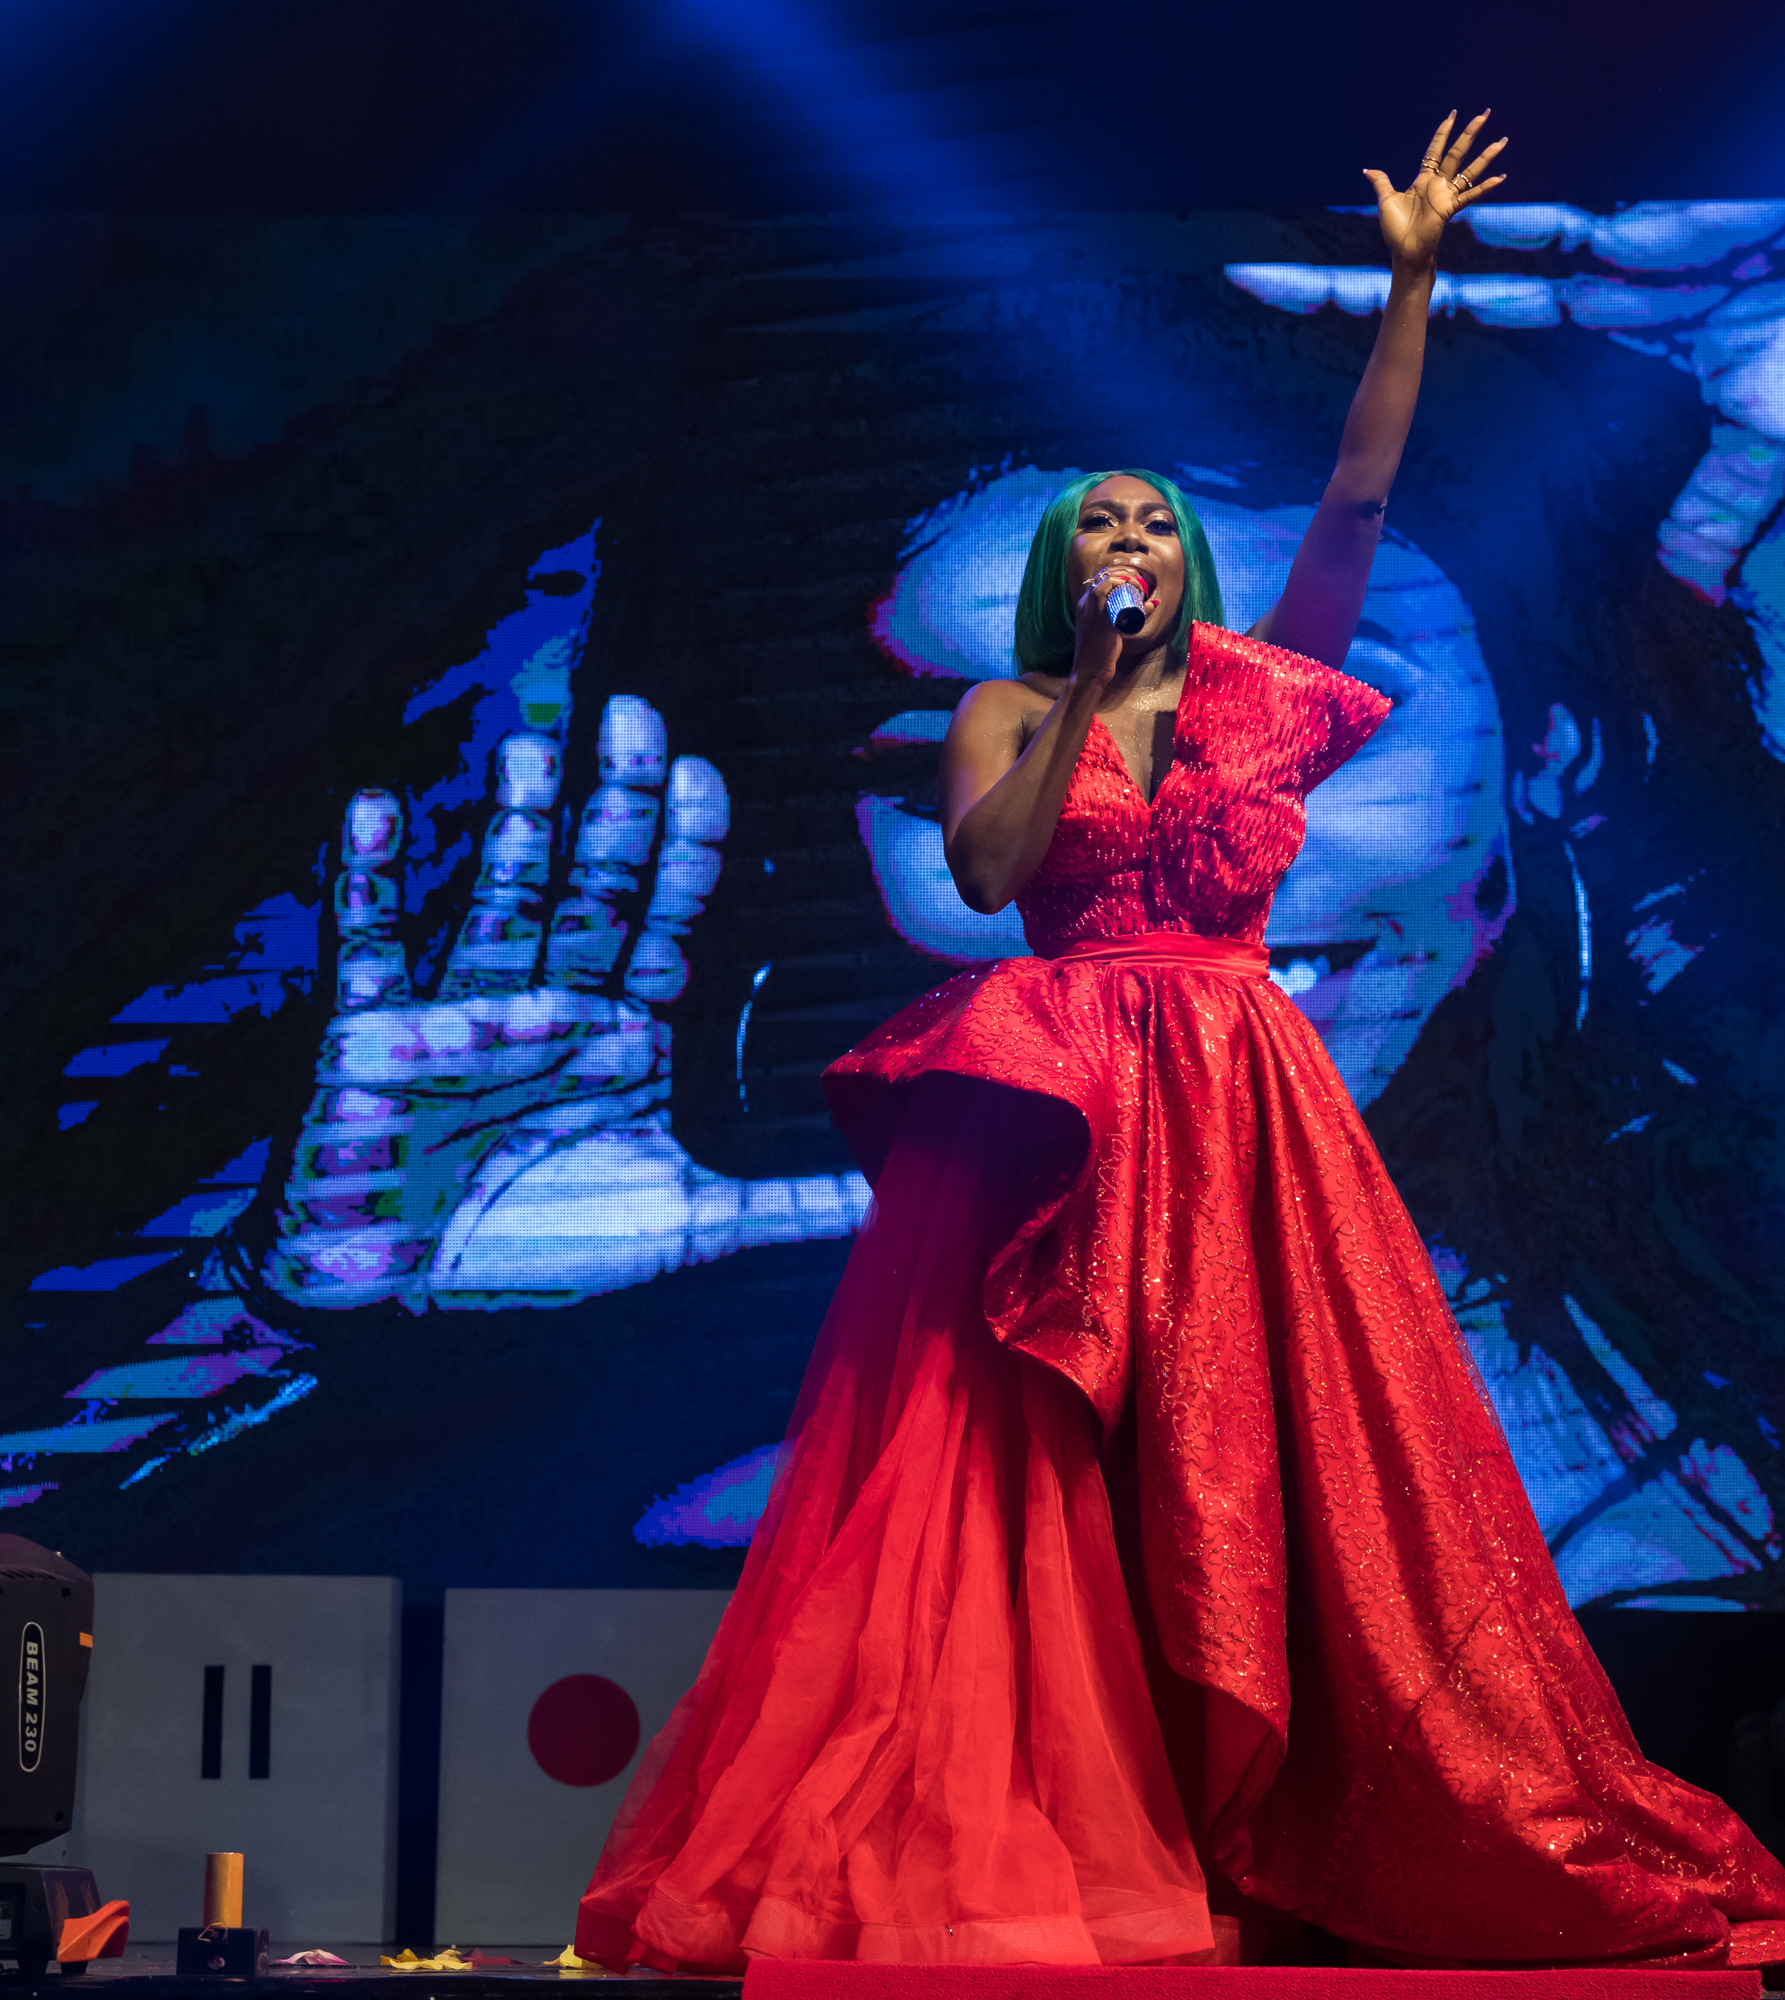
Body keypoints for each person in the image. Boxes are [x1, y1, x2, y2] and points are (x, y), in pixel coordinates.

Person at [574, 114, 1785, 1971]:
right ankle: (1037, 1833)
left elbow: (1362, 505)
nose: (1132, 543)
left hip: (1233, 1093)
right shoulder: (999, 708)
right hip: (1054, 1092)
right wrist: (1073, 705)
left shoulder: (1261, 700)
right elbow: (985, 875)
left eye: (1153, 528)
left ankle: (1311, 1812)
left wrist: (1403, 289)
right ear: (1076, 571)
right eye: (1106, 531)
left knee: (1288, 1454)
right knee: (1019, 1472)